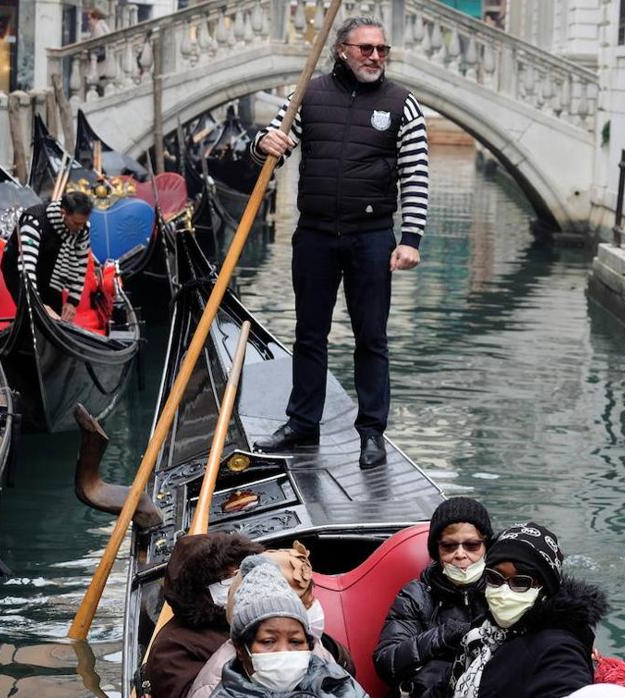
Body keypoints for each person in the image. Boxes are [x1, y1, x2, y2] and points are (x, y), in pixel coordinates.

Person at [249, 15, 430, 470]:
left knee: (372, 338)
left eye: (381, 50)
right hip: (315, 233)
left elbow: (417, 175)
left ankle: (371, 432)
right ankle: (302, 422)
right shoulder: (307, 94)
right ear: (341, 50)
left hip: (371, 236)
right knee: (310, 334)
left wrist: (410, 238)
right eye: (365, 48)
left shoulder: (402, 103)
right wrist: (263, 143)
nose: (374, 57)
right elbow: (275, 141)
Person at [447, 522, 608, 698]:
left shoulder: (559, 649)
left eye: (520, 582)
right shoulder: (483, 630)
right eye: (495, 578)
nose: (503, 590)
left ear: (545, 588)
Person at [189, 542, 350, 698]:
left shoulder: (326, 669)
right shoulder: (210, 687)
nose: (284, 652)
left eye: (295, 641)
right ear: (241, 648)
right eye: (268, 641)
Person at [374, 497, 494, 697]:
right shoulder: (416, 595)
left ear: (486, 548)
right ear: (437, 551)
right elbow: (386, 662)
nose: (460, 555)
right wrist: (443, 636)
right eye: (449, 546)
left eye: (472, 545)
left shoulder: (501, 590)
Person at [146, 533, 266, 698]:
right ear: (198, 588)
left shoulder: (255, 615)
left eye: (238, 574)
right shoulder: (172, 649)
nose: (236, 583)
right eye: (225, 578)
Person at [0, 190, 94, 323]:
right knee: (32, 313)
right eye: (77, 224)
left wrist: (73, 301)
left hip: (51, 267)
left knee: (55, 317)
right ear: (63, 213)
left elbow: (81, 262)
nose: (81, 228)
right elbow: (27, 267)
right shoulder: (34, 222)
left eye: (84, 223)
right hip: (17, 267)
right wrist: (38, 305)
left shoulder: (82, 228)